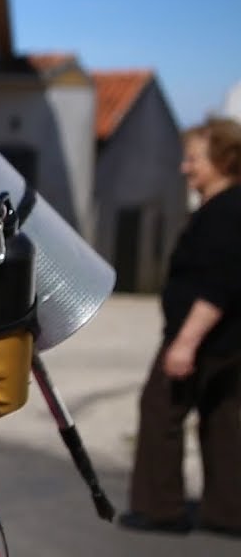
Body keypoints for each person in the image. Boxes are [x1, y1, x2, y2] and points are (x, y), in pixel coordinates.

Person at [120, 117, 241, 537]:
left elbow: (218, 285)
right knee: (225, 419)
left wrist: (185, 343)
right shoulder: (230, 208)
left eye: (193, 159)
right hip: (229, 341)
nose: (184, 168)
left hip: (205, 338)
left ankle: (161, 509)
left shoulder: (224, 213)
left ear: (223, 161)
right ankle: (229, 512)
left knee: (161, 411)